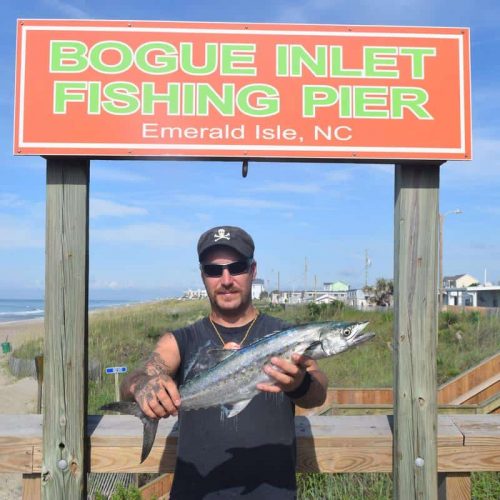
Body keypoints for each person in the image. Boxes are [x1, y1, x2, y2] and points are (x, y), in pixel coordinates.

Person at [121, 225, 328, 499]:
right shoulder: (181, 340)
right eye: (213, 270)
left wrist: (299, 384)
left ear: (253, 271)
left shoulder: (284, 335)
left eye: (237, 267)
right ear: (203, 276)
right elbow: (133, 379)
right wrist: (143, 386)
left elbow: (318, 392)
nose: (226, 279)